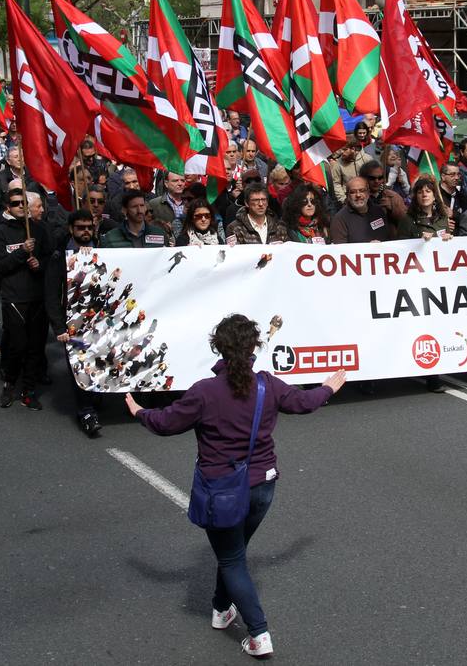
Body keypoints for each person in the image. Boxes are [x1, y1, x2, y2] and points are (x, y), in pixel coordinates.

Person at [125, 314, 347, 659]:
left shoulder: (205, 391)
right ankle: (220, 608)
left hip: (222, 490)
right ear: (253, 347)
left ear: (218, 348)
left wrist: (139, 411)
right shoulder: (268, 385)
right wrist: (328, 387)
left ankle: (258, 633)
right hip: (263, 487)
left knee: (231, 559)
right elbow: (303, 403)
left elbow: (166, 423)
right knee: (234, 552)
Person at [0, 189, 54, 410]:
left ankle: (29, 390)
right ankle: (9, 383)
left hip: (37, 297)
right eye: (16, 203)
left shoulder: (39, 229)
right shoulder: (0, 233)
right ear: (8, 207)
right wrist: (22, 252)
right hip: (14, 298)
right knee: (17, 345)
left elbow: (50, 258)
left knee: (35, 347)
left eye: (24, 203)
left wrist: (39, 264)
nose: (21, 207)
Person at [44, 212, 105, 438]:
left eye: (89, 227)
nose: (85, 231)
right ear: (71, 229)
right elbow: (51, 294)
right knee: (81, 367)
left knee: (99, 363)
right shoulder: (60, 256)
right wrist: (59, 327)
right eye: (80, 227)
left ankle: (95, 400)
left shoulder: (103, 249)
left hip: (99, 321)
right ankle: (86, 413)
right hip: (73, 324)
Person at [330, 176, 393, 243]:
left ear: (368, 192)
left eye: (362, 190)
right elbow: (340, 248)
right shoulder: (339, 219)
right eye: (353, 192)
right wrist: (367, 247)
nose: (358, 195)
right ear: (347, 196)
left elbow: (388, 239)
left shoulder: (379, 211)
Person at [100, 190, 168, 248]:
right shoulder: (111, 237)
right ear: (124, 210)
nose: (139, 211)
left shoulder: (159, 234)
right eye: (134, 207)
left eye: (142, 205)